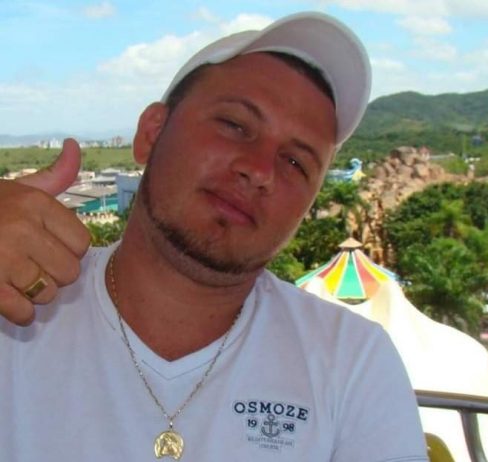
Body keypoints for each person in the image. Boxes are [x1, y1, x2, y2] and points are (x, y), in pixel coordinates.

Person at [0, 12, 429, 461]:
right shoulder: (16, 302)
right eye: (235, 125)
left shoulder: (351, 361)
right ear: (151, 133)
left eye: (296, 163)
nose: (259, 170)